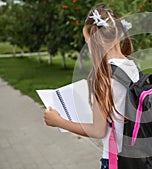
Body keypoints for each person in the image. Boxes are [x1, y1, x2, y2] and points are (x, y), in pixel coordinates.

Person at [43, 4, 139, 169]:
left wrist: (58, 121)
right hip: (135, 156)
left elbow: (97, 131)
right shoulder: (132, 66)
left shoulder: (104, 78)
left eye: (87, 42)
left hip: (115, 160)